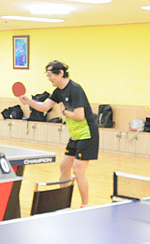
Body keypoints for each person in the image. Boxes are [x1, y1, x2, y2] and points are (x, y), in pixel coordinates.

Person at [20, 60, 98, 206]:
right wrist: (29, 101)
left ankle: (85, 206)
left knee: (78, 170)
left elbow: (79, 115)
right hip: (75, 135)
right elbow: (45, 107)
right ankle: (63, 203)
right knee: (64, 167)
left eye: (51, 75)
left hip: (87, 134)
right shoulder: (58, 91)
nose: (49, 78)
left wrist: (64, 111)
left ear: (61, 73)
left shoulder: (75, 89)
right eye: (48, 75)